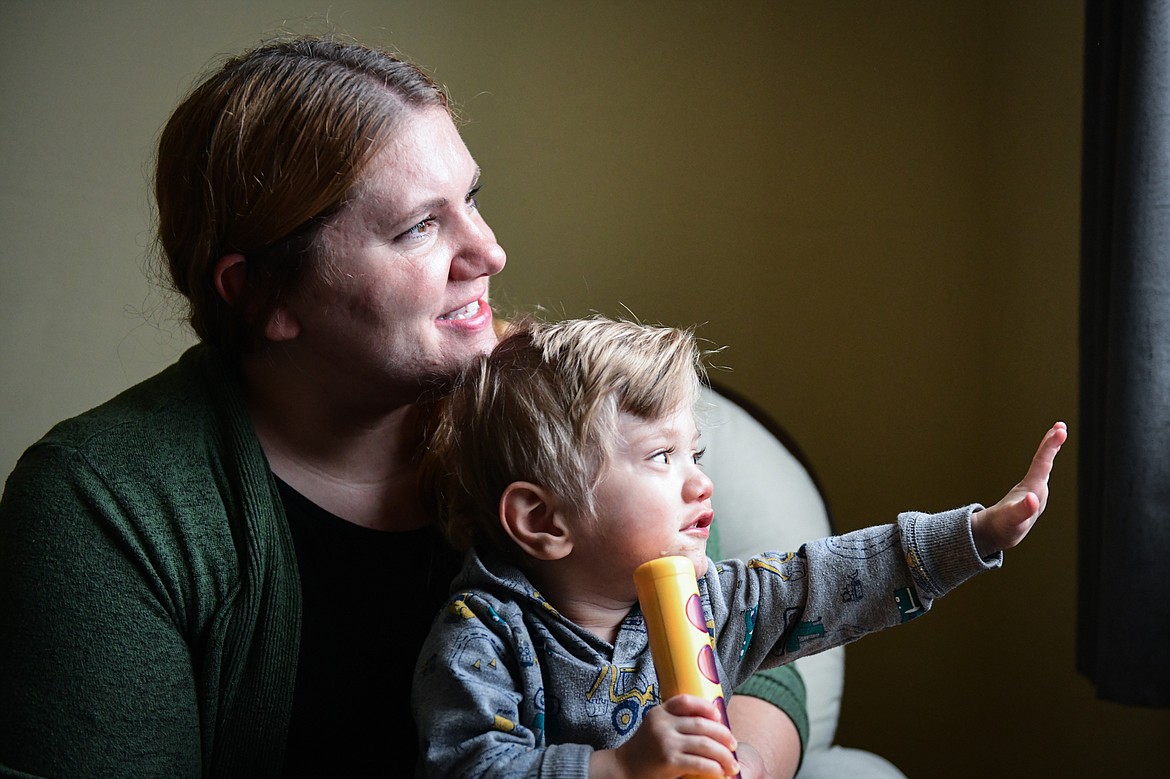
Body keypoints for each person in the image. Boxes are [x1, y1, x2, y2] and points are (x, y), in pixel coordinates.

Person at [0, 35, 809, 777]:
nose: (490, 252)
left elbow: (757, 649)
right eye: (419, 227)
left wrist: (730, 763)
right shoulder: (104, 507)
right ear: (260, 296)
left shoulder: (545, 404)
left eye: (472, 198)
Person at [411, 316, 1067, 778]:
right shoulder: (484, 635)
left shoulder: (716, 600)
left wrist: (976, 533)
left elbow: (834, 578)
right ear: (542, 518)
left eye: (693, 452)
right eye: (661, 456)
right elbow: (466, 765)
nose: (700, 482)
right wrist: (616, 768)